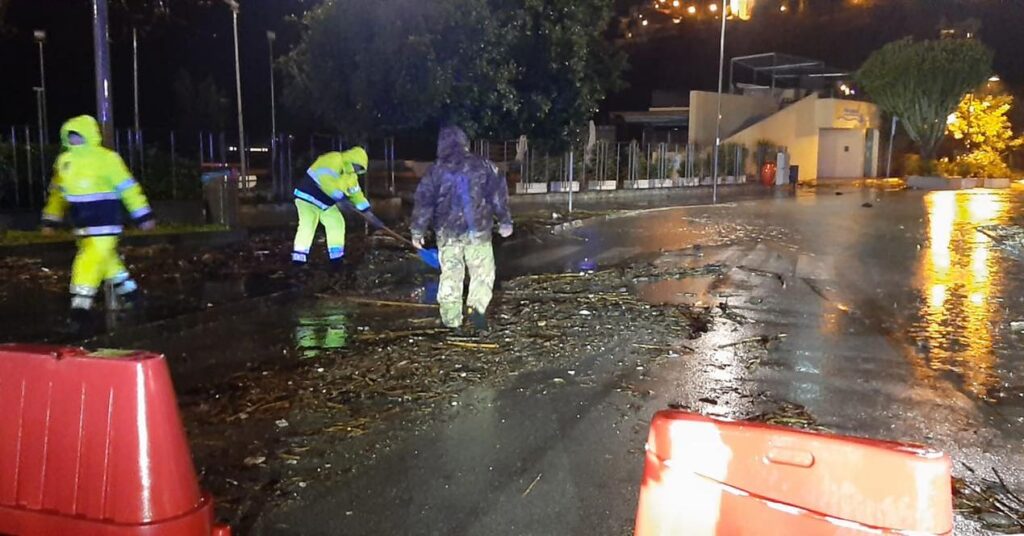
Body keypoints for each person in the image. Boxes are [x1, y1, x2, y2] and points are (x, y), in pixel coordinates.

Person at [41, 115, 155, 335]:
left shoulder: (107, 159)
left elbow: (128, 188)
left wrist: (142, 215)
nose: (74, 140)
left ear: (89, 135)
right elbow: (57, 194)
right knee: (108, 264)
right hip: (83, 226)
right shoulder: (64, 162)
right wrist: (50, 220)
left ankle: (79, 312)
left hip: (106, 224)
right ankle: (134, 296)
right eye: (71, 136)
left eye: (78, 136)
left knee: (87, 263)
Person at [411, 126, 513, 333]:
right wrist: (505, 221)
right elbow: (498, 195)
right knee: (482, 273)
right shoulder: (484, 166)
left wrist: (417, 232)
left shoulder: (435, 171)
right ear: (464, 142)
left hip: (447, 234)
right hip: (478, 232)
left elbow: (424, 203)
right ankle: (477, 310)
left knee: (451, 274)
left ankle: (451, 321)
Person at [292, 147, 383, 267]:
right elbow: (325, 180)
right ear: (353, 160)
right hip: (307, 196)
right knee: (308, 224)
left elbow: (356, 194)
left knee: (337, 223)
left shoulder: (351, 176)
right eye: (358, 166)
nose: (357, 170)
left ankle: (336, 258)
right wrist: (340, 198)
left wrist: (367, 211)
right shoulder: (334, 159)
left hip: (325, 203)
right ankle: (299, 258)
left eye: (360, 169)